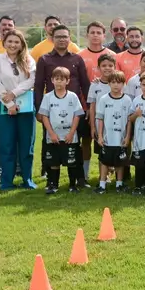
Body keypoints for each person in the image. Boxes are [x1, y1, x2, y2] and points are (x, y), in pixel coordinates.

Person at [34, 25, 91, 183]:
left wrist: (87, 106)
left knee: (74, 142)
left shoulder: (77, 59)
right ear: (52, 38)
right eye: (58, 36)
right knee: (51, 142)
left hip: (74, 111)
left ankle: (78, 179)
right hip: (52, 111)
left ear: (69, 38)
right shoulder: (45, 59)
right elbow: (38, 86)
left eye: (65, 36)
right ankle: (50, 177)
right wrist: (39, 109)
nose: (62, 39)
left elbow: (85, 84)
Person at [0, 30, 37, 191]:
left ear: (22, 44)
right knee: (6, 144)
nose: (13, 45)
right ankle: (7, 181)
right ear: (4, 43)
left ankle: (27, 180)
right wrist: (9, 104)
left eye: (16, 42)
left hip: (26, 107)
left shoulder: (28, 60)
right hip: (4, 107)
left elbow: (31, 80)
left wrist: (14, 94)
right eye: (10, 41)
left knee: (26, 145)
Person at [78, 21, 117, 180]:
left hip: (109, 108)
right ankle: (85, 174)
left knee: (108, 140)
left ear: (104, 35)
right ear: (87, 35)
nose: (95, 35)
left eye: (98, 32)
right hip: (86, 105)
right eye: (92, 32)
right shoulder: (80, 56)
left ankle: (107, 172)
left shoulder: (112, 55)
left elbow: (116, 79)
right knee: (87, 139)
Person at [39, 67, 86, 194]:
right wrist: (51, 133)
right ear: (52, 80)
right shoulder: (48, 97)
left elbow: (77, 115)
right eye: (56, 79)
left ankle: (72, 185)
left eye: (62, 79)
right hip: (53, 137)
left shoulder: (72, 97)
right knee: (54, 162)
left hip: (69, 136)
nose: (59, 82)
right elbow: (44, 116)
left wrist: (71, 133)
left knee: (72, 161)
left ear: (67, 81)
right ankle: (54, 185)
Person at [94, 70, 132, 194]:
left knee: (120, 162)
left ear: (124, 84)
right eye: (113, 82)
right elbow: (100, 119)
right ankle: (102, 185)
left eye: (119, 82)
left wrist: (127, 136)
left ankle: (119, 184)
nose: (116, 85)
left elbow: (129, 120)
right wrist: (99, 136)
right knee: (105, 161)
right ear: (109, 84)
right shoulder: (104, 99)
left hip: (120, 138)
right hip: (107, 137)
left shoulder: (127, 100)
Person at [87, 53, 117, 181]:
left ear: (115, 67)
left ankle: (113, 170)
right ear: (98, 68)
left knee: (114, 148)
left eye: (110, 65)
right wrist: (92, 126)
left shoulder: (118, 83)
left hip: (115, 123)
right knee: (101, 150)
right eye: (104, 65)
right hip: (100, 124)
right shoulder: (95, 84)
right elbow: (92, 106)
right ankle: (103, 176)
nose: (107, 68)